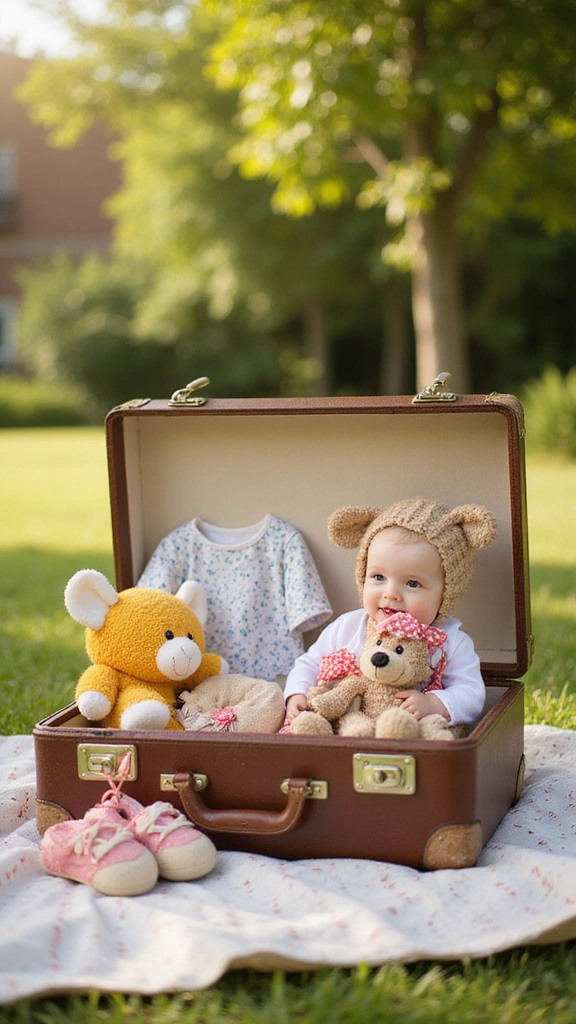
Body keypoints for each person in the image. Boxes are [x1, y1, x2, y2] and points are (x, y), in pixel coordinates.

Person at [284, 498, 496, 728]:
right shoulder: (347, 627)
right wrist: (297, 693)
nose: (391, 593)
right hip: (349, 727)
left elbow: (471, 693)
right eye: (379, 577)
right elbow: (309, 663)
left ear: (447, 593)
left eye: (413, 583)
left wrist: (435, 703)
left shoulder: (450, 641)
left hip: (408, 733)